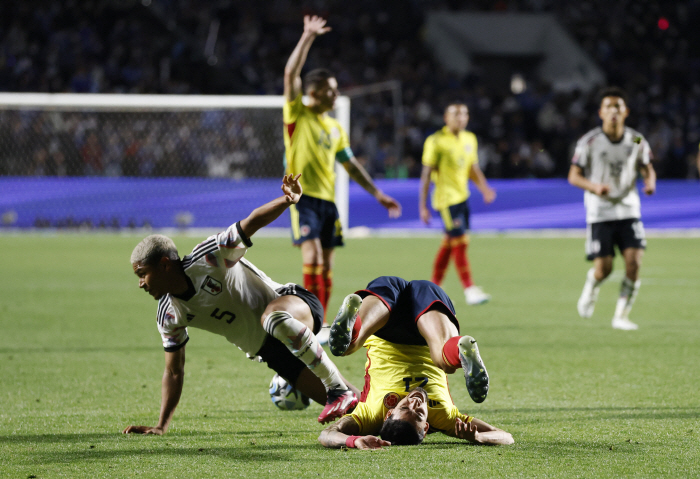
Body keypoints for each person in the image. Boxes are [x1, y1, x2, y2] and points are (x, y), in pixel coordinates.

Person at [122, 174, 359, 435]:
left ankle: (329, 355)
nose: (141, 283)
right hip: (271, 353)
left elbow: (250, 223)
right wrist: (161, 426)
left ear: (165, 265)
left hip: (292, 305)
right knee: (357, 413)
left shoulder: (208, 257)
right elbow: (174, 371)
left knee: (273, 319)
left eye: (142, 274)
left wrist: (287, 200)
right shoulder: (168, 314)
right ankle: (380, 406)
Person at [283, 15, 402, 335]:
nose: (337, 96)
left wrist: (378, 194)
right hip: (303, 197)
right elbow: (291, 72)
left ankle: (318, 324)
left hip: (329, 201)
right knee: (313, 254)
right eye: (331, 90)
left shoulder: (335, 128)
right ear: (315, 92)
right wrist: (307, 36)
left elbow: (350, 165)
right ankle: (310, 321)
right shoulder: (298, 113)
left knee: (328, 264)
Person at [318, 277, 513, 448]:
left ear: (389, 414)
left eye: (404, 408)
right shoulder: (445, 418)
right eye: (419, 414)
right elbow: (506, 437)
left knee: (351, 346)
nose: (415, 402)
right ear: (426, 426)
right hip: (426, 333)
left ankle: (350, 333)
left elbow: (327, 434)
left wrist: (352, 441)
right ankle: (460, 350)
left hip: (386, 328)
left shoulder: (371, 416)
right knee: (442, 358)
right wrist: (477, 437)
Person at [568, 87, 656, 331]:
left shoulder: (637, 139)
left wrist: (650, 182)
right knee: (604, 269)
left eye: (618, 106)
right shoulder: (589, 141)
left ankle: (621, 315)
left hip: (629, 209)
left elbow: (647, 165)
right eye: (609, 107)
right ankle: (592, 284)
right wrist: (594, 186)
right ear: (601, 112)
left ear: (625, 111)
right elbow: (573, 176)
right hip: (600, 211)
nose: (613, 111)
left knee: (634, 263)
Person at [419, 102, 496, 306]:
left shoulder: (470, 139)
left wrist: (485, 189)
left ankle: (432, 288)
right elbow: (426, 174)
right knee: (460, 242)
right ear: (446, 118)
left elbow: (472, 167)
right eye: (456, 114)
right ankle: (469, 288)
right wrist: (423, 206)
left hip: (463, 197)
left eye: (464, 114)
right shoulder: (436, 141)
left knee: (450, 243)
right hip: (446, 200)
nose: (461, 118)